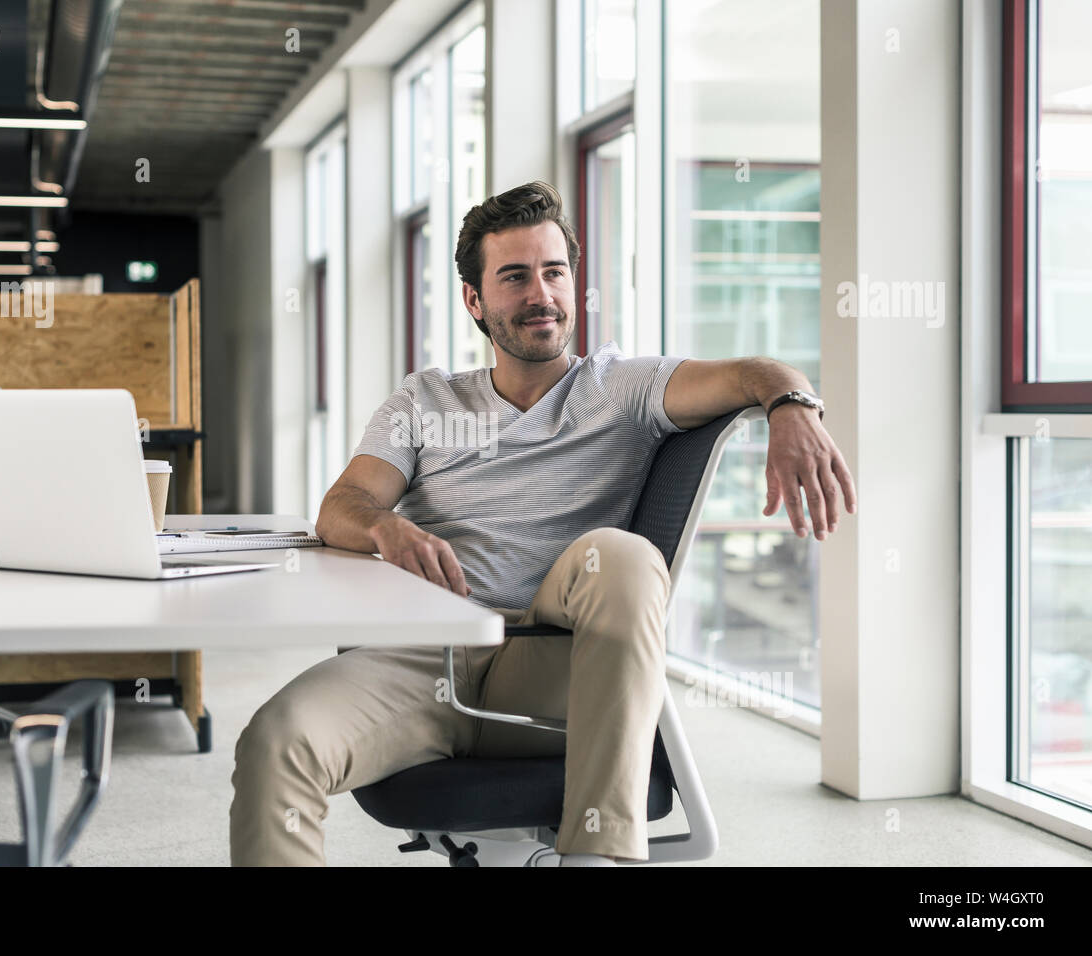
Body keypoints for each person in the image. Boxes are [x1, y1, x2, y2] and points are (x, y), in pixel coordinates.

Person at [229, 180, 856, 866]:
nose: (541, 294)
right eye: (515, 276)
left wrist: (792, 406)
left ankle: (597, 857)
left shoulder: (624, 387)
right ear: (474, 299)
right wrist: (386, 527)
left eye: (554, 272)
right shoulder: (425, 399)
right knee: (275, 741)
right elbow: (340, 506)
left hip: (550, 666)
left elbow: (753, 372)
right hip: (422, 657)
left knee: (621, 556)